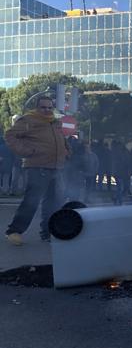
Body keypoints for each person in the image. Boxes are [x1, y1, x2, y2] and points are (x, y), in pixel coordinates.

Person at [4, 96, 69, 245]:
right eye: (43, 107)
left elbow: (61, 139)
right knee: (31, 202)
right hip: (37, 167)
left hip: (56, 167)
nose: (47, 110)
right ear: (36, 107)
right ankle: (14, 231)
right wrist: (27, 151)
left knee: (53, 203)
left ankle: (48, 233)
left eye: (49, 107)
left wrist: (67, 150)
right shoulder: (29, 120)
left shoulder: (54, 121)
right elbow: (10, 135)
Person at [111, 140, 131, 205]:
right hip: (119, 172)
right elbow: (116, 163)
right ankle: (120, 201)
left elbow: (127, 162)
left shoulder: (125, 151)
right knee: (121, 187)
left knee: (124, 187)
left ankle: (116, 198)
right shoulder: (118, 152)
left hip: (123, 172)